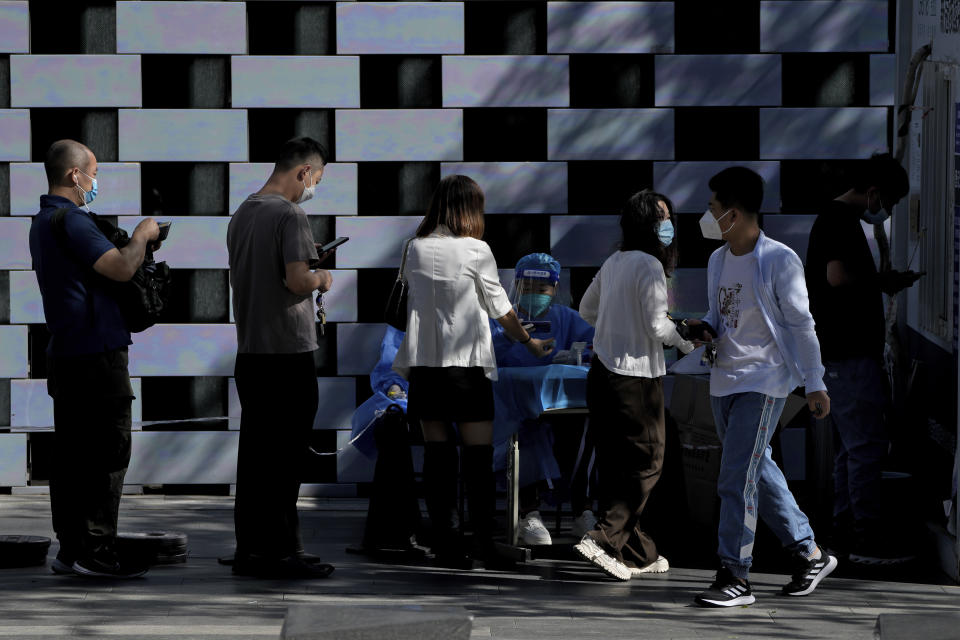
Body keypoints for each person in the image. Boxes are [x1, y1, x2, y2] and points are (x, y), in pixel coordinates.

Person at [690, 167, 836, 607]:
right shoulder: (718, 260)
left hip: (766, 380)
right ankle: (809, 552)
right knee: (757, 468)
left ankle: (735, 574)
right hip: (724, 380)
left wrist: (815, 382)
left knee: (735, 477)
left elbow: (802, 325)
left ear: (733, 214)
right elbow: (721, 318)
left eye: (713, 208)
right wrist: (703, 329)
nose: (708, 215)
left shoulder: (779, 259)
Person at [392, 174, 555, 567]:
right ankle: (483, 541)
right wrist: (529, 342)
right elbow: (502, 310)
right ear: (469, 209)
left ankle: (447, 543)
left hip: (426, 367)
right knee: (478, 460)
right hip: (466, 368)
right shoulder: (476, 250)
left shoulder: (412, 247)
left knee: (438, 458)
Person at [29, 139, 161, 578]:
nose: (95, 181)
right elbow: (121, 268)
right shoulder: (74, 220)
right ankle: (96, 552)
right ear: (74, 175)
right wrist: (143, 235)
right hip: (96, 355)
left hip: (66, 354)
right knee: (107, 454)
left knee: (70, 458)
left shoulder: (43, 221)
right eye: (93, 173)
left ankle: (70, 550)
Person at [226, 136, 335, 579]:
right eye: (317, 179)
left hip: (250, 352)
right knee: (285, 459)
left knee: (255, 458)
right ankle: (278, 554)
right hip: (287, 353)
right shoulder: (290, 215)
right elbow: (295, 280)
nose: (313, 188)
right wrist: (322, 276)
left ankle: (255, 548)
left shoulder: (242, 213)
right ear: (304, 172)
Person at [574, 189, 695, 581]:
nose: (667, 224)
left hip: (603, 373)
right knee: (648, 460)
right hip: (636, 378)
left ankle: (637, 552)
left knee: (616, 465)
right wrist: (686, 341)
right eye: (660, 217)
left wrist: (615, 329)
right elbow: (658, 326)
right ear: (645, 223)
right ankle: (604, 539)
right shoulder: (650, 265)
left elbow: (586, 309)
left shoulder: (615, 261)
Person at [805, 153, 919, 564]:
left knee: (850, 451)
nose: (885, 211)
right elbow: (837, 277)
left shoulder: (833, 218)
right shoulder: (840, 221)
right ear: (873, 192)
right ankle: (865, 539)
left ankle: (842, 532)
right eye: (888, 201)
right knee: (867, 447)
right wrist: (882, 281)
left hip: (838, 355)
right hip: (849, 354)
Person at [489, 252, 597, 546]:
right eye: (529, 288)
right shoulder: (502, 321)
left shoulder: (567, 318)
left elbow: (594, 345)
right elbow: (486, 355)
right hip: (513, 407)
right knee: (526, 436)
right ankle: (529, 511)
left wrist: (576, 355)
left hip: (560, 406)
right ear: (517, 286)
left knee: (586, 432)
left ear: (555, 288)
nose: (536, 295)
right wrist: (510, 337)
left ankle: (583, 511)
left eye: (543, 289)